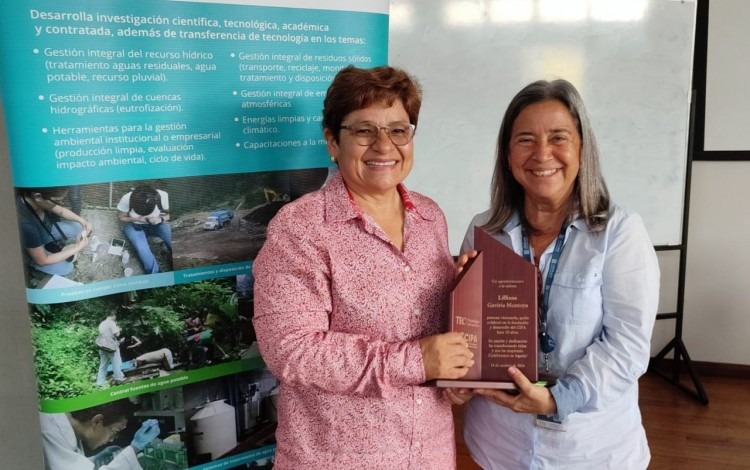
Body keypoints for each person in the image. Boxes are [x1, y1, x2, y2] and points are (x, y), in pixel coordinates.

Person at [252, 65, 474, 469]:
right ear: (332, 142)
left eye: (398, 130)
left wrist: (469, 304)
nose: (384, 145)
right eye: (364, 130)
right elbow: (291, 350)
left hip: (429, 454)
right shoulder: (300, 228)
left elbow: (430, 332)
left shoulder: (430, 216)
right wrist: (417, 361)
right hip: (336, 459)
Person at [445, 79, 660, 469]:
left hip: (590, 449)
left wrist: (559, 397)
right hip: (498, 442)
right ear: (507, 154)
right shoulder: (484, 231)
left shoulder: (620, 232)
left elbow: (627, 344)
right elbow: (469, 336)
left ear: (582, 148)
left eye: (559, 137)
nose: (542, 153)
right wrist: (460, 366)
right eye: (525, 139)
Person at [40, 399, 160, 470]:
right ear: (97, 421)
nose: (112, 440)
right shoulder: (48, 429)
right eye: (114, 432)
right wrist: (134, 448)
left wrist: (96, 459)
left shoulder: (64, 425)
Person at [16, 186, 91, 277]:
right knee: (67, 268)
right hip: (31, 249)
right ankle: (30, 261)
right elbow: (43, 261)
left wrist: (83, 221)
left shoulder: (36, 199)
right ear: (37, 196)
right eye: (57, 201)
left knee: (78, 226)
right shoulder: (25, 222)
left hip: (45, 230)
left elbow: (61, 211)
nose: (60, 204)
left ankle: (50, 246)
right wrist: (77, 247)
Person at [117, 185, 172, 274]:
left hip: (156, 224)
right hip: (134, 225)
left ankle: (179, 261)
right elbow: (121, 217)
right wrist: (137, 219)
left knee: (171, 236)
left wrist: (160, 219)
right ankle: (156, 274)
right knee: (142, 248)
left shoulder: (162, 196)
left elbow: (171, 214)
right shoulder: (127, 198)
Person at [96, 311, 125, 386]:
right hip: (111, 347)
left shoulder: (102, 323)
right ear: (113, 315)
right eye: (115, 316)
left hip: (102, 347)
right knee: (116, 363)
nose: (115, 317)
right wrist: (118, 329)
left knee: (103, 365)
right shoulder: (112, 323)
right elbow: (117, 334)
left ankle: (99, 382)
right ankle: (119, 378)